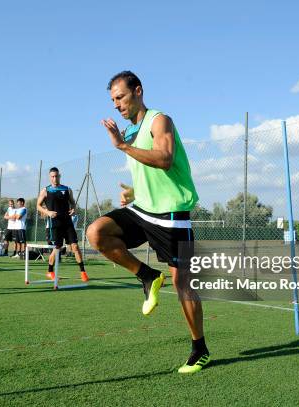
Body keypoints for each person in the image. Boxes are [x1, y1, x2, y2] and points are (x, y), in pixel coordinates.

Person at [88, 71, 209, 374]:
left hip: (171, 217)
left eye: (120, 97)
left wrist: (123, 147)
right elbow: (150, 176)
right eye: (113, 100)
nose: (116, 104)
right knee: (96, 232)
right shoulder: (131, 133)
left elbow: (165, 159)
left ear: (138, 91)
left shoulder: (159, 120)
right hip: (143, 210)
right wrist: (133, 191)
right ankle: (146, 276)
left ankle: (199, 348)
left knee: (183, 285)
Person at [37, 167, 89, 282]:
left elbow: (73, 202)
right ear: (50, 177)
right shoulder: (45, 190)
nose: (55, 178)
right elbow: (38, 205)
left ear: (59, 176)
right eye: (52, 176)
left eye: (56, 176)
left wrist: (74, 209)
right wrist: (48, 212)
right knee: (57, 248)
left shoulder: (67, 189)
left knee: (75, 246)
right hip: (55, 224)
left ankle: (83, 272)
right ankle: (50, 271)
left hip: (67, 222)